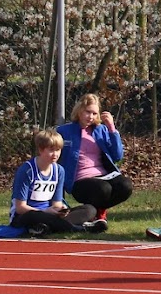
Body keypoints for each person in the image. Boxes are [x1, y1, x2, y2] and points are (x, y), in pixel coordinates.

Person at [9, 129, 105, 235]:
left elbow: (57, 203)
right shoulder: (27, 171)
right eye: (51, 150)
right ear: (41, 150)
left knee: (90, 209)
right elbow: (20, 208)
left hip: (50, 214)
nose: (55, 154)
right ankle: (79, 228)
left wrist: (61, 210)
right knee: (35, 216)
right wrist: (45, 211)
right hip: (27, 215)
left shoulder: (59, 170)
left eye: (58, 150)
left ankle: (44, 228)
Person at [56, 93, 133, 225]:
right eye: (88, 112)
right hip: (80, 180)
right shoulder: (64, 131)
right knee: (103, 189)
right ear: (79, 110)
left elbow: (117, 156)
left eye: (94, 113)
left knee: (125, 186)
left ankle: (96, 212)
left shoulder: (101, 130)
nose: (91, 117)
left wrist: (112, 129)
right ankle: (95, 214)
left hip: (103, 175)